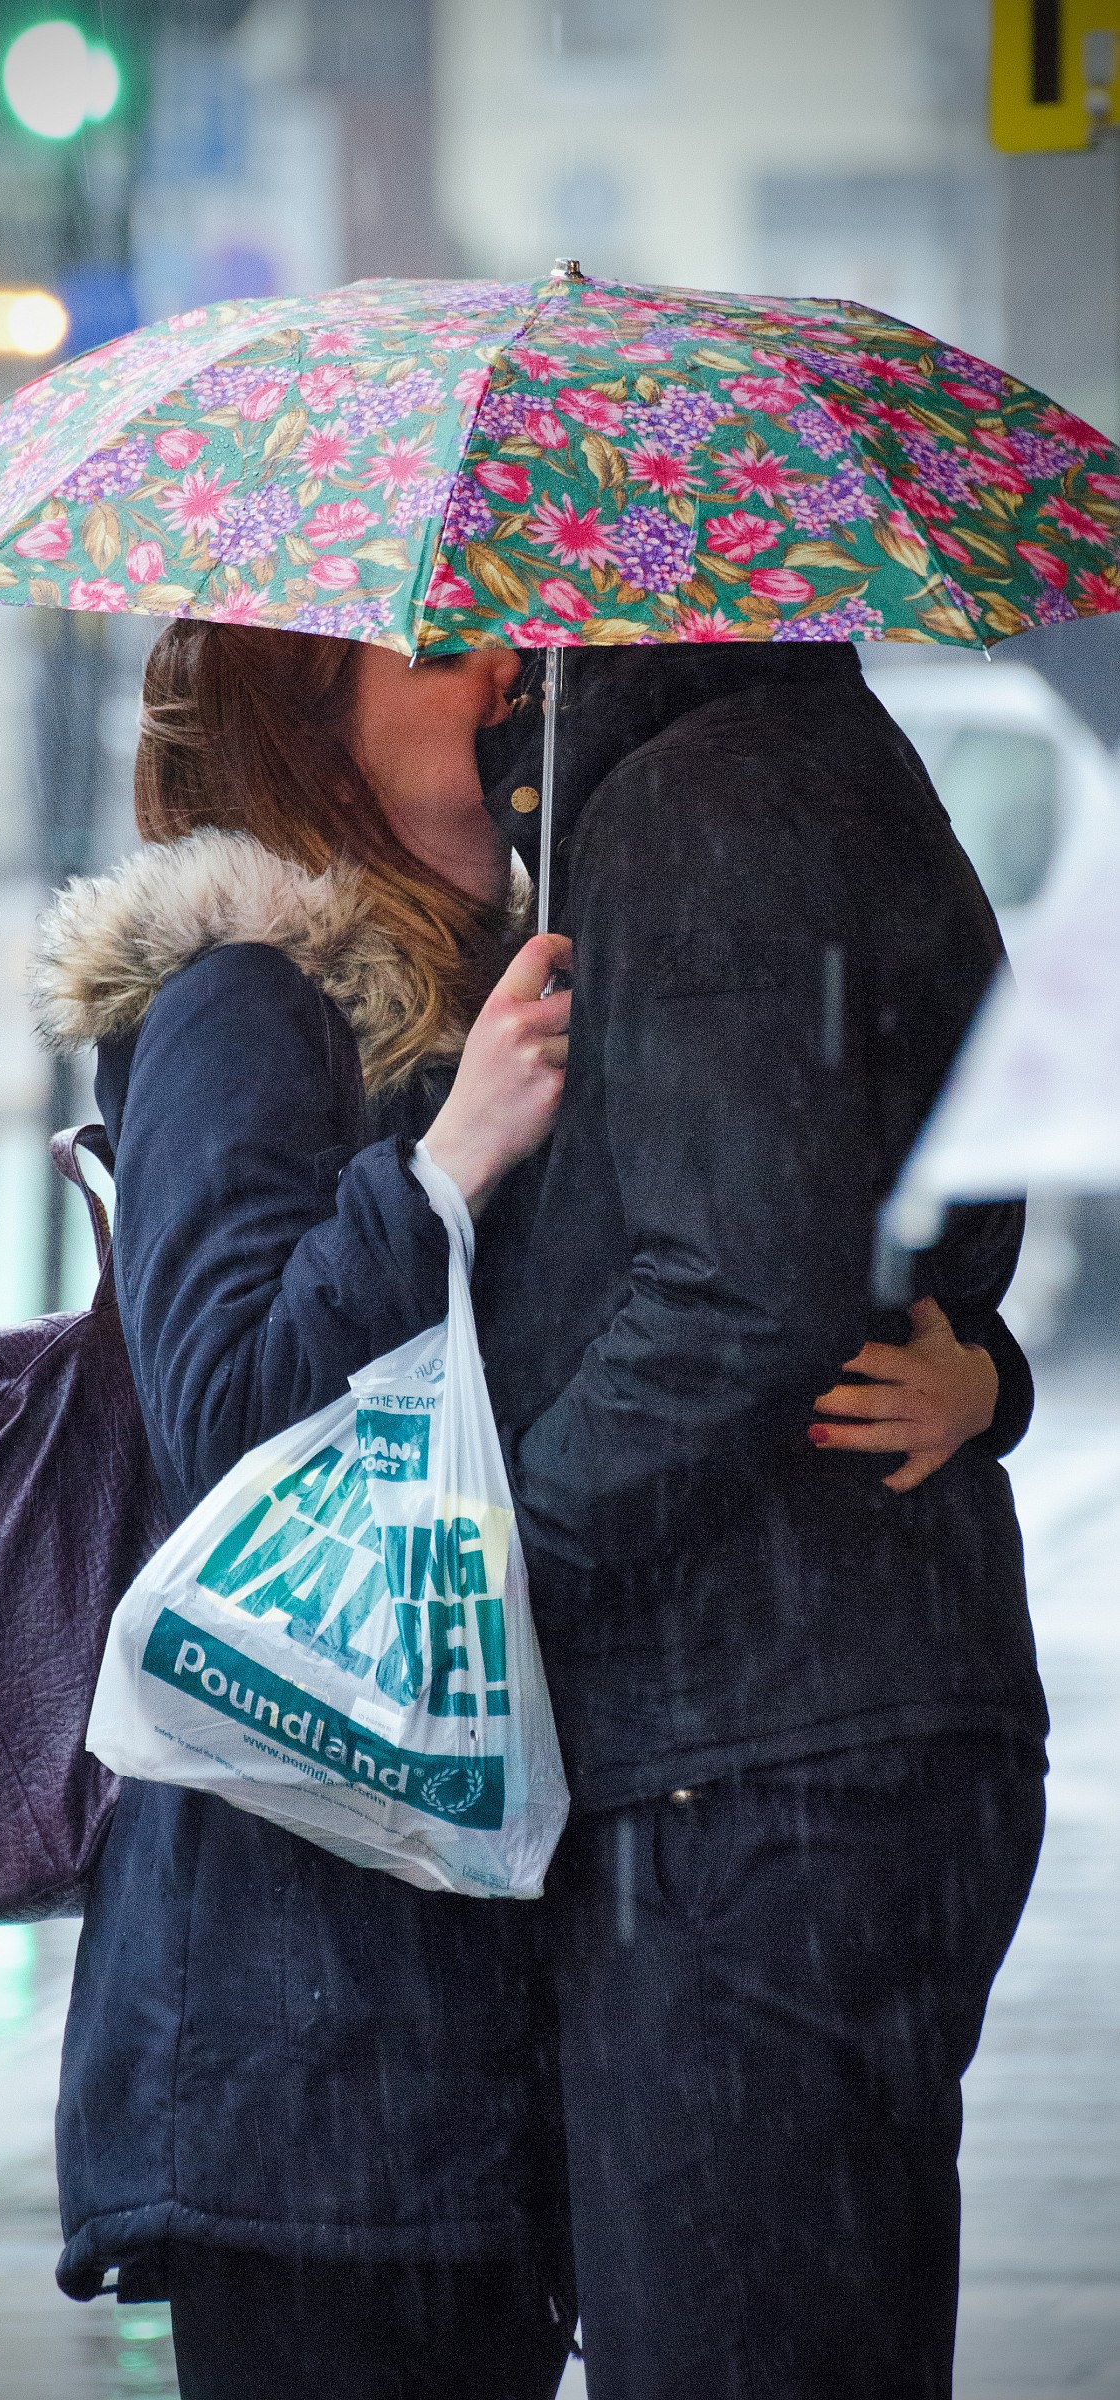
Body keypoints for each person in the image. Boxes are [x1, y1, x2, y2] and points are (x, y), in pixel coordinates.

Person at [32, 625, 1026, 2400]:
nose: (504, 672)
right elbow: (228, 1419)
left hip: (453, 1976)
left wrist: (983, 1374)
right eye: (439, 651)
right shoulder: (247, 997)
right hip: (299, 1995)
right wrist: (445, 1167)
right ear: (311, 722)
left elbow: (770, 1234)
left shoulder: (524, 968)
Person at [473, 640, 1047, 2400]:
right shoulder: (833, 759)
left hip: (750, 1745)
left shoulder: (696, 804)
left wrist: (488, 1572)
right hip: (850, 1712)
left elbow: (739, 1290)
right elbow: (955, 1213)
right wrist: (990, 1372)